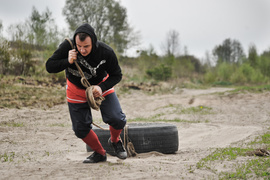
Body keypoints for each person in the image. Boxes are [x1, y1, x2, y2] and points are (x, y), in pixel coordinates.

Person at [46, 23, 127, 163]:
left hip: (101, 86)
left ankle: (115, 141)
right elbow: (49, 66)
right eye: (79, 46)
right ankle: (100, 153)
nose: (82, 50)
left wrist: (101, 87)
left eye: (86, 46)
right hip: (75, 89)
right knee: (80, 129)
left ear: (93, 42)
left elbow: (117, 75)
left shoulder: (106, 52)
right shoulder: (67, 46)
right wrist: (67, 60)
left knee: (117, 119)